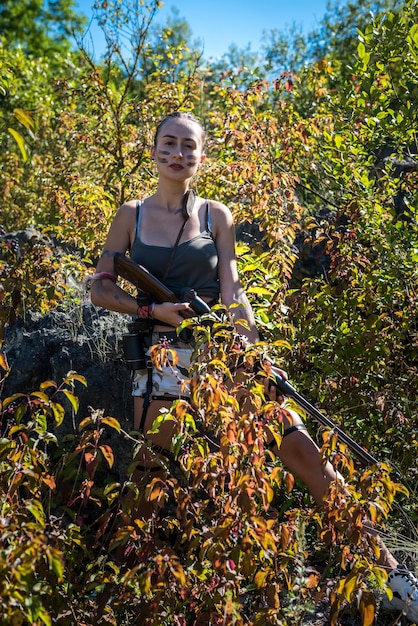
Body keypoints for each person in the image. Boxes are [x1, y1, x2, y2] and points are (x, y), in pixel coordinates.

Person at [90, 111, 418, 622]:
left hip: (219, 351)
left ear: (202, 155)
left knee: (300, 445)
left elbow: (233, 289)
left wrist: (249, 343)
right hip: (160, 354)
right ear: (152, 149)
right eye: (168, 144)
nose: (178, 153)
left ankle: (394, 576)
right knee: (152, 474)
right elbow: (101, 286)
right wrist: (152, 310)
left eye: (188, 146)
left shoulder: (217, 215)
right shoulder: (129, 214)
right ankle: (117, 592)